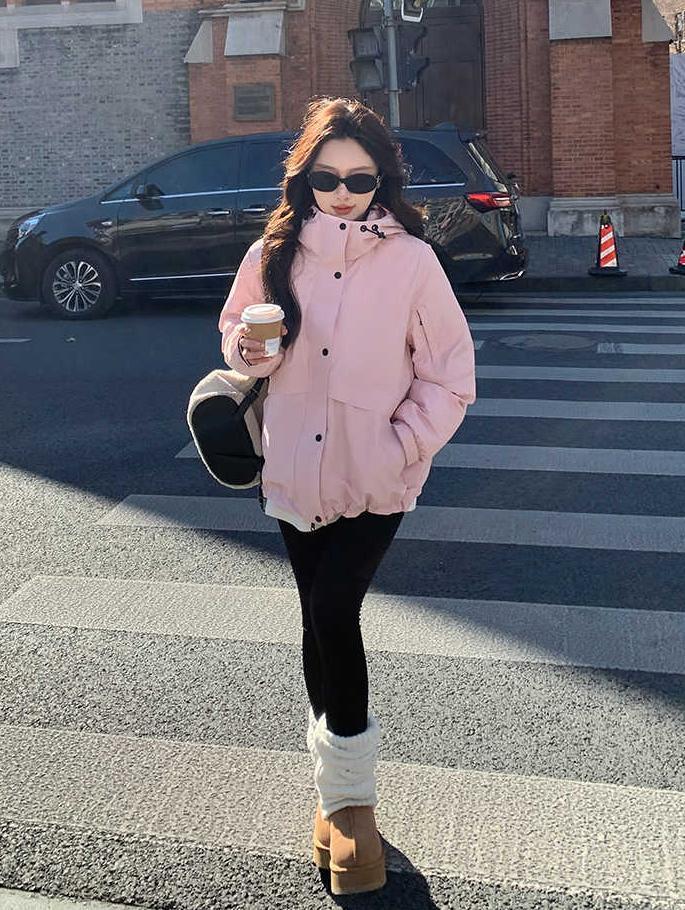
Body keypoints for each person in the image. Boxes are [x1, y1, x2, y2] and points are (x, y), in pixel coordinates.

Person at [217, 96, 476, 895]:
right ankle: (332, 798)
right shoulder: (272, 253)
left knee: (334, 610)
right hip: (293, 468)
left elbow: (449, 376)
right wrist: (249, 347)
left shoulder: (411, 262)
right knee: (314, 618)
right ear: (304, 179)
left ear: (380, 181)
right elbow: (235, 339)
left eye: (358, 180)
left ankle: (352, 807)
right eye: (325, 178)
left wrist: (399, 447)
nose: (341, 194)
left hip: (375, 478)